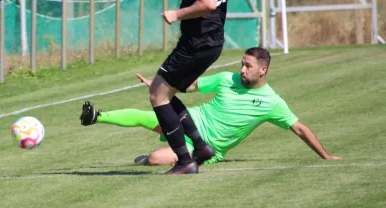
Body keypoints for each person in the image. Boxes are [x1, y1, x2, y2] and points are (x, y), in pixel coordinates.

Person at [80, 47, 341, 169]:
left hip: (207, 149)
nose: (241, 69)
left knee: (155, 159)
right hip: (190, 121)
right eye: (242, 63)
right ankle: (97, 116)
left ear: (263, 70)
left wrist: (325, 156)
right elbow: (192, 86)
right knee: (145, 116)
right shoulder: (227, 79)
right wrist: (162, 84)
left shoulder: (272, 103)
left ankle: (150, 157)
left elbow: (299, 128)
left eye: (248, 66)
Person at [150, 0, 247, 175]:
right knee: (165, 93)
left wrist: (177, 14)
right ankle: (201, 148)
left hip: (197, 41)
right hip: (214, 41)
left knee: (157, 95)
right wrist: (219, 1)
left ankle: (184, 161)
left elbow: (206, 2)